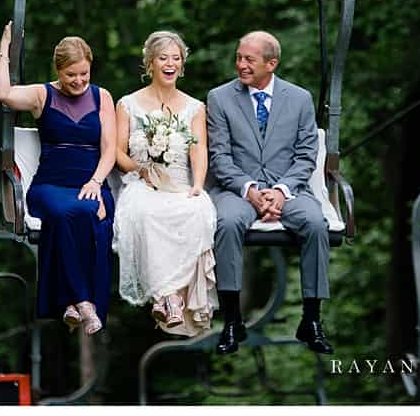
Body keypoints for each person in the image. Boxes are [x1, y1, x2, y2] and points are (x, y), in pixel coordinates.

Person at [206, 31, 333, 355]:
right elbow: (219, 156)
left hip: (288, 189)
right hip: (238, 189)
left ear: (271, 64)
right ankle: (233, 320)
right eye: (239, 57)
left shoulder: (300, 98)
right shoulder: (220, 98)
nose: (241, 64)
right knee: (227, 222)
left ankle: (311, 319)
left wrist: (281, 191)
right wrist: (249, 191)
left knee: (316, 224)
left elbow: (306, 156)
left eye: (249, 59)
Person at [0, 22, 117, 335]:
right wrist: (4, 50)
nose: (78, 81)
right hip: (49, 186)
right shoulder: (41, 95)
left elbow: (109, 150)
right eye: (71, 75)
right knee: (62, 214)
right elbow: (3, 93)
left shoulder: (102, 97)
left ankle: (70, 304)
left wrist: (97, 183)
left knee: (91, 214)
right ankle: (82, 300)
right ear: (59, 71)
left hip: (90, 184)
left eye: (84, 74)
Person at [112, 31, 217, 336]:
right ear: (150, 63)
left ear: (182, 65)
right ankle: (166, 297)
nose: (170, 64)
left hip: (181, 185)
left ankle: (177, 299)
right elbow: (119, 151)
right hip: (143, 184)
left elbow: (198, 150)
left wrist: (197, 185)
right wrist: (141, 169)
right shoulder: (128, 104)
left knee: (197, 212)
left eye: (176, 58)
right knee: (144, 214)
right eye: (163, 58)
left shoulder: (194, 107)